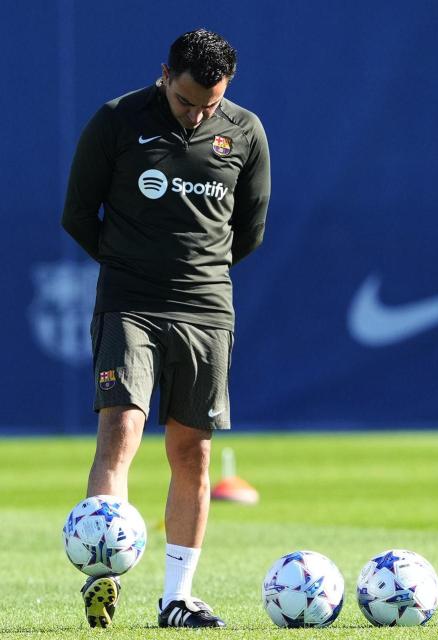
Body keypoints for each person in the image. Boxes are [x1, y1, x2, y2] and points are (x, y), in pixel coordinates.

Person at [61, 28, 271, 628]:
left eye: (209, 104)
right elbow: (78, 213)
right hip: (130, 304)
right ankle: (103, 575)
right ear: (164, 75)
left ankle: (177, 598)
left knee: (192, 453)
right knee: (121, 431)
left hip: (206, 311)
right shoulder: (118, 120)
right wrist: (133, 262)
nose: (197, 112)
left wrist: (196, 271)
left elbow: (250, 229)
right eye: (185, 101)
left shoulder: (246, 130)